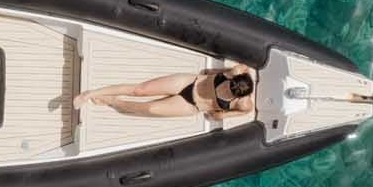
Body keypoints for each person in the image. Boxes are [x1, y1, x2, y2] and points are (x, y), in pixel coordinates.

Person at [73, 61, 256, 119]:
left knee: (149, 109)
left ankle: (112, 101)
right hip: (189, 82)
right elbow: (243, 67)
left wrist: (221, 112)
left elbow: (220, 116)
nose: (228, 88)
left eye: (231, 92)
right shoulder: (235, 72)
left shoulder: (244, 105)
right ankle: (91, 93)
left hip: (192, 105)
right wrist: (218, 72)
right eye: (230, 83)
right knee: (140, 90)